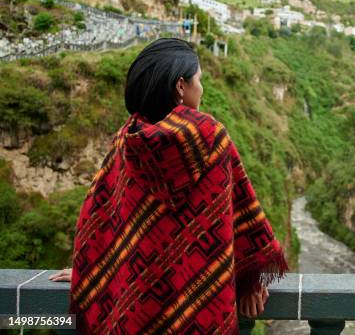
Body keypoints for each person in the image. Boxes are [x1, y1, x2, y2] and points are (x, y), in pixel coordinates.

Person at [49, 37, 289, 334]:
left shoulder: (127, 140)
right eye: (198, 80)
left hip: (134, 313)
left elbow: (101, 219)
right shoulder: (210, 138)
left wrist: (96, 271)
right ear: (180, 86)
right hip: (198, 315)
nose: (201, 88)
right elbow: (238, 213)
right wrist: (249, 279)